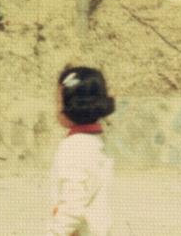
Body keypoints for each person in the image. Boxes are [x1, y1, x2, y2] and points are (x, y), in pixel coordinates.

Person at [49, 66, 115, 236]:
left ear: (72, 106)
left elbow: (73, 204)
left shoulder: (74, 147)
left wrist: (55, 232)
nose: (56, 108)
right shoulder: (96, 143)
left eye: (58, 102)